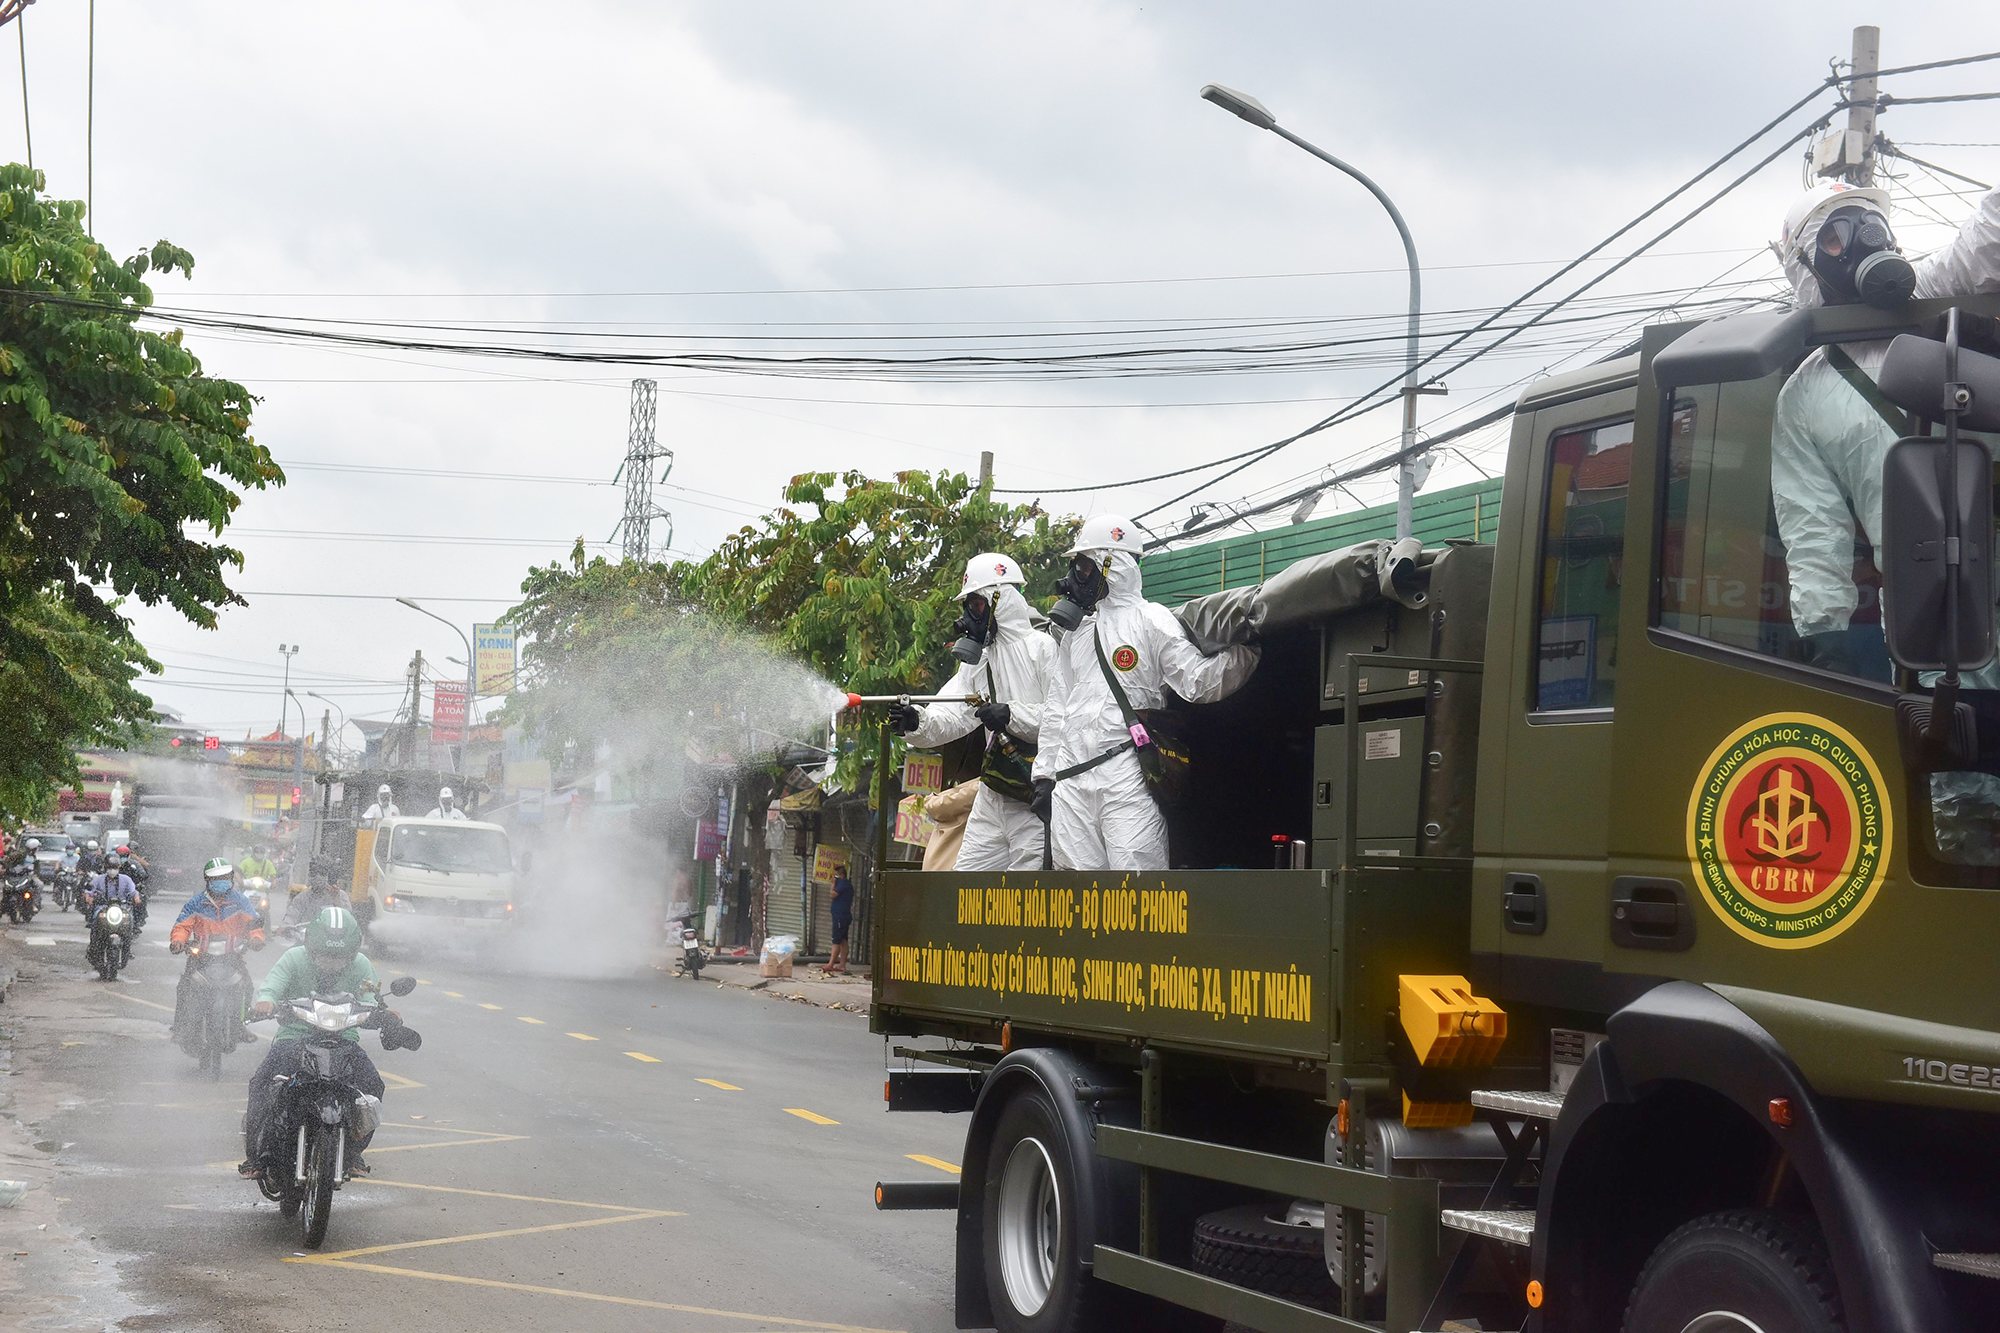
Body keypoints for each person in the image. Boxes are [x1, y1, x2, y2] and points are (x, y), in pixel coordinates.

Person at [1769, 180, 2000, 855]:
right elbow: (1813, 541)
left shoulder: (1937, 304)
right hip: (1935, 644)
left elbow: (1987, 242)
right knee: (1964, 828)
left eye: (1871, 223)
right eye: (1837, 235)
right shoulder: (1805, 393)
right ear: (1806, 267)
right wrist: (1831, 653)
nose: (1864, 242)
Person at [1030, 515, 1260, 870]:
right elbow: (1058, 706)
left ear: (1113, 564)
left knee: (1136, 887)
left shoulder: (1150, 619)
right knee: (1076, 896)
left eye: (1084, 566)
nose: (1076, 577)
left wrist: (1247, 652)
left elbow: (1197, 682)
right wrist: (1045, 775)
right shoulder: (1076, 634)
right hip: (1071, 780)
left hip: (1126, 776)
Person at [888, 553, 1056, 871]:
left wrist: (1010, 715)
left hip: (1031, 792)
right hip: (994, 791)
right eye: (968, 606)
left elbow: (1062, 719)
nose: (968, 616)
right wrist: (917, 721)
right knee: (964, 884)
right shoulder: (980, 661)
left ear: (1001, 598)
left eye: (976, 605)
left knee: (1026, 895)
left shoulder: (1042, 648)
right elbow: (954, 714)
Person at [240, 906, 392, 1180]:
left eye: (340, 956)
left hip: (344, 1039)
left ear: (353, 950)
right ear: (310, 946)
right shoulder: (293, 958)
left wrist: (382, 1012)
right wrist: (267, 1001)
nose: (332, 961)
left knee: (372, 1085)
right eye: (325, 954)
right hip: (295, 1037)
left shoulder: (361, 965)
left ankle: (354, 1150)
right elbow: (273, 985)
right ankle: (255, 1156)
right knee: (262, 1082)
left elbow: (372, 997)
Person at [168, 858, 267, 1044]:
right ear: (207, 881)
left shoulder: (241, 901)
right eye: (216, 878)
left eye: (224, 877)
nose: (221, 881)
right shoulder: (196, 903)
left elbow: (254, 924)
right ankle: (181, 1028)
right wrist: (178, 942)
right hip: (201, 958)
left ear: (231, 878)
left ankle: (239, 1026)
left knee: (246, 985)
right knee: (184, 988)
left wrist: (256, 939)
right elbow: (182, 925)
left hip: (232, 957)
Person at [82, 855, 142, 973]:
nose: (112, 870)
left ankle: (127, 944)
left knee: (130, 918)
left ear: (119, 868)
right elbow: (89, 892)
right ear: (105, 867)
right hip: (103, 908)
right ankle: (93, 944)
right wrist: (89, 899)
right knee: (95, 918)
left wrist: (137, 898)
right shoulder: (98, 879)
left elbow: (134, 892)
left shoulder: (126, 879)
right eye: (110, 867)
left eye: (115, 867)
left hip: (121, 909)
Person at [282, 856, 353, 932]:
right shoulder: (301, 898)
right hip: (306, 939)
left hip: (334, 938)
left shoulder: (340, 895)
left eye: (322, 873)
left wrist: (337, 901)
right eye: (314, 873)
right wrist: (286, 927)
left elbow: (348, 919)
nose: (317, 877)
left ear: (329, 876)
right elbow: (291, 916)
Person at [826, 865, 854, 975]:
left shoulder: (843, 884)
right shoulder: (847, 884)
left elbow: (833, 895)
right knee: (843, 940)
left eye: (836, 876)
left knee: (836, 940)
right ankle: (842, 964)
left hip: (840, 916)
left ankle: (831, 964)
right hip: (843, 915)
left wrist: (833, 884)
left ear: (841, 875)